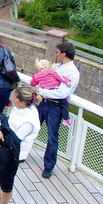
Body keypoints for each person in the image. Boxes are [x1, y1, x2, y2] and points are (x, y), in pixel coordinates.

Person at [0, 87, 41, 204]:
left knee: (6, 182)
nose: (12, 99)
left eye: (15, 98)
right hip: (2, 148)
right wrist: (0, 131)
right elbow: (7, 124)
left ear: (23, 102)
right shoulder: (18, 109)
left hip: (13, 154)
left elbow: (15, 140)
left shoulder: (30, 120)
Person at [36, 42, 80, 179]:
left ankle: (48, 166)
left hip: (55, 106)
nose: (55, 54)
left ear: (63, 54)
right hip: (43, 102)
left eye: (57, 52)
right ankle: (19, 152)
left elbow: (61, 93)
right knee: (31, 126)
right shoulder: (57, 66)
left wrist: (42, 91)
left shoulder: (73, 72)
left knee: (52, 136)